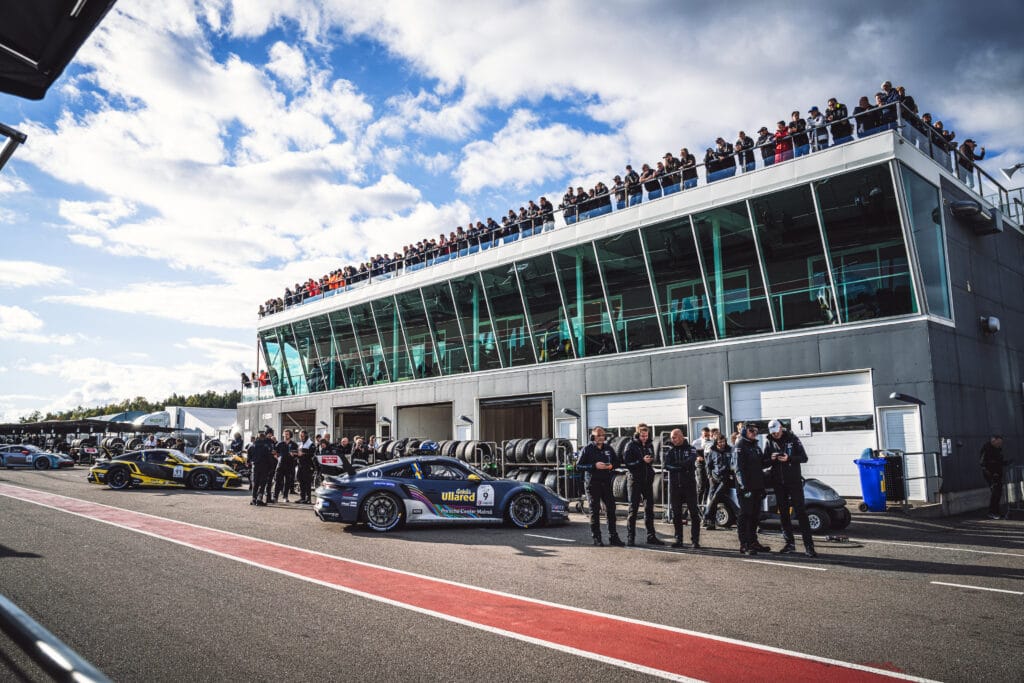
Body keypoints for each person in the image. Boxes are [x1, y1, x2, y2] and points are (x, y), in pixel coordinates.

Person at [764, 419, 816, 557]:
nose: (775, 434)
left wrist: (789, 458)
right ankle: (789, 544)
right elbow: (763, 462)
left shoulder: (793, 439)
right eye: (772, 432)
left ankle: (809, 546)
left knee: (801, 512)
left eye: (776, 431)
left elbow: (804, 458)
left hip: (794, 482)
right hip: (778, 483)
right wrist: (771, 459)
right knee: (784, 514)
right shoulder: (769, 441)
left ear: (781, 428)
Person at [575, 427, 624, 546]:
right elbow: (578, 466)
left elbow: (617, 462)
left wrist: (611, 466)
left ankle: (613, 537)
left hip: (606, 482)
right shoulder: (587, 449)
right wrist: (594, 466)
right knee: (595, 510)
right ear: (593, 437)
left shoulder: (608, 448)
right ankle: (597, 538)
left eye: (602, 435)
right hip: (592, 484)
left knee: (611, 509)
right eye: (598, 435)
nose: (601, 438)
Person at [623, 423, 663, 546]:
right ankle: (630, 537)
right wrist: (642, 461)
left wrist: (650, 460)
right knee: (633, 509)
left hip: (647, 480)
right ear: (637, 434)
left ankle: (651, 536)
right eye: (642, 436)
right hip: (634, 480)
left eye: (646, 435)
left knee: (649, 509)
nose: (645, 438)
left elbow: (652, 458)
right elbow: (627, 463)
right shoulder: (630, 445)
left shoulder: (650, 444)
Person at [732, 424, 770, 555]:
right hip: (746, 488)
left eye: (756, 430)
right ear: (744, 431)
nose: (754, 432)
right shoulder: (740, 446)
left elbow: (762, 464)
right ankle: (744, 544)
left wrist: (773, 458)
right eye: (751, 430)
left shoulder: (756, 447)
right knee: (745, 515)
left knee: (755, 515)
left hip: (757, 486)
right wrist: (744, 487)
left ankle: (753, 541)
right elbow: (737, 468)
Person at [662, 429, 702, 549]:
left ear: (681, 436)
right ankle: (678, 540)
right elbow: (666, 465)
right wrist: (680, 467)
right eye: (671, 437)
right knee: (676, 514)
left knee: (694, 513)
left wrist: (677, 466)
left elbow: (690, 462)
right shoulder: (670, 451)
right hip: (675, 487)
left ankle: (695, 540)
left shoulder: (691, 449)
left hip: (689, 486)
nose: (672, 440)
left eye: (674, 437)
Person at [703, 434, 734, 530]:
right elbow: (708, 465)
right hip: (714, 478)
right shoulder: (712, 451)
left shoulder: (730, 450)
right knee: (712, 498)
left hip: (725, 478)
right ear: (716, 442)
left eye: (723, 441)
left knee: (716, 496)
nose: (722, 444)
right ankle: (711, 522)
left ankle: (706, 515)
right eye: (720, 442)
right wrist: (709, 476)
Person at [980, 435, 1007, 519]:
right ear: (993, 440)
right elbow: (983, 463)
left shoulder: (997, 449)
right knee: (995, 492)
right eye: (999, 442)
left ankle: (996, 512)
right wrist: (991, 474)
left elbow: (998, 461)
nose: (1000, 444)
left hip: (997, 474)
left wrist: (1005, 463)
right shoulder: (987, 448)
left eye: (1001, 443)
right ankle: (992, 512)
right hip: (991, 475)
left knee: (998, 493)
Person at [250, 429, 277, 506]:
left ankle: (253, 499)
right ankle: (259, 499)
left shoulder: (252, 446)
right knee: (262, 484)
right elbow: (269, 458)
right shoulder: (265, 447)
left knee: (255, 483)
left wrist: (252, 462)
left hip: (255, 466)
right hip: (264, 467)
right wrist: (271, 467)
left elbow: (249, 456)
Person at [272, 429, 295, 503]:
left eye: (287, 434)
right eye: (285, 434)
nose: (286, 435)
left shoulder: (294, 444)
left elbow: (297, 454)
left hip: (289, 465)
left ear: (290, 435)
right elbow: (274, 452)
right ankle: (275, 497)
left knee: (287, 482)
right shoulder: (280, 444)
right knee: (278, 481)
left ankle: (285, 497)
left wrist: (294, 455)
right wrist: (278, 458)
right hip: (280, 465)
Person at [295, 430, 316, 504]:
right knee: (301, 481)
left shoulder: (311, 444)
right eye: (300, 436)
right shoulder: (300, 444)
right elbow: (299, 454)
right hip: (300, 465)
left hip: (307, 465)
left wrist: (303, 454)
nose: (301, 437)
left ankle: (308, 499)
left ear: (306, 436)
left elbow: (312, 454)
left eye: (303, 436)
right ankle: (302, 497)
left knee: (307, 482)